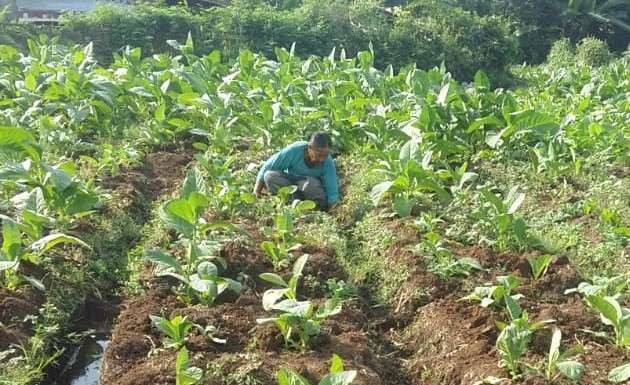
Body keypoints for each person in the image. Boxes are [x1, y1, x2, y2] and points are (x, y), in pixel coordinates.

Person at [253, 132, 340, 211]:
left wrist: (333, 211)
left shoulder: (328, 162)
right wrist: (256, 191)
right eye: (318, 155)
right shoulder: (295, 150)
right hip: (290, 182)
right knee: (269, 176)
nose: (321, 159)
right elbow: (268, 166)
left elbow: (332, 190)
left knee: (310, 186)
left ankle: (311, 208)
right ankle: (292, 202)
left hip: (310, 186)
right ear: (309, 148)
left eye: (325, 155)